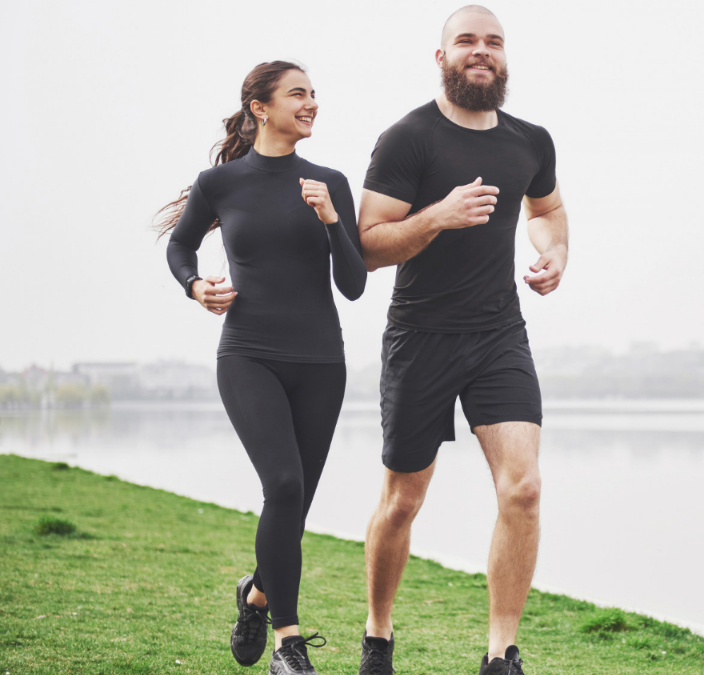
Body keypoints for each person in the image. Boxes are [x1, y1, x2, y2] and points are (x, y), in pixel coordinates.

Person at [354, 6, 569, 675]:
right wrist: (438, 217)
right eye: (468, 41)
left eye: (494, 42)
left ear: (506, 58)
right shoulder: (407, 139)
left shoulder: (530, 140)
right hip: (420, 336)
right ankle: (378, 633)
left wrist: (555, 251)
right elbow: (365, 246)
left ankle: (501, 652)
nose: (482, 51)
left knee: (524, 487)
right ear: (442, 56)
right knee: (403, 500)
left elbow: (547, 209)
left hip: (499, 332)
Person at [159, 60, 367, 675]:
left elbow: (353, 286)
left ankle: (255, 595)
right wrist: (195, 285)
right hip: (248, 354)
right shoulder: (220, 184)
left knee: (294, 505)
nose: (312, 103)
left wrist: (332, 220)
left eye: (314, 94)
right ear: (260, 107)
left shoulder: (330, 182)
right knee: (282, 485)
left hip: (322, 363)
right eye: (298, 94)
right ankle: (288, 643)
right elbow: (180, 244)